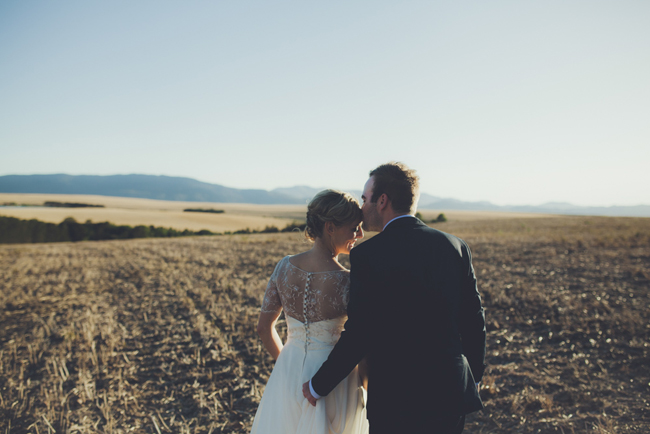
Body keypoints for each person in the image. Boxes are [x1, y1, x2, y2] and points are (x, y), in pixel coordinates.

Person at [303, 162, 487, 434]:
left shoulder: (369, 256)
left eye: (365, 199)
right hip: (450, 391)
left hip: (396, 398)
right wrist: (473, 376)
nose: (362, 206)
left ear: (382, 201)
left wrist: (318, 386)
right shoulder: (455, 247)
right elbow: (474, 321)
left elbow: (360, 332)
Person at [250, 190, 370, 434]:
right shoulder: (349, 281)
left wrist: (286, 364)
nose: (360, 234)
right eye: (354, 227)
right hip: (336, 379)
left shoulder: (284, 267)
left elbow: (264, 328)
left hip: (288, 369)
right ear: (330, 227)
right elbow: (362, 342)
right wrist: (364, 387)